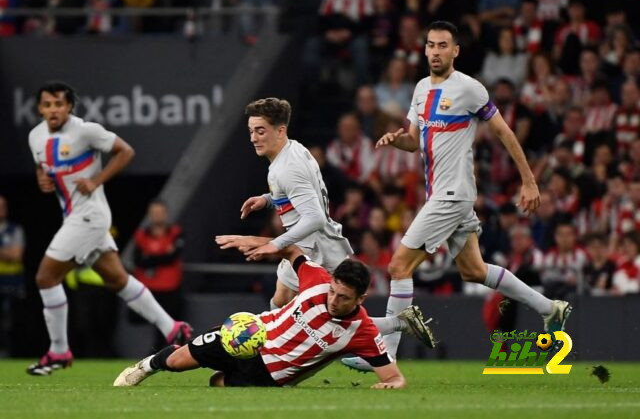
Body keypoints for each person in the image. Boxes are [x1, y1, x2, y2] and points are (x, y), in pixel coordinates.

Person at [342, 21, 571, 372]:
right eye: (430, 45)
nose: (435, 51)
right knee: (474, 270)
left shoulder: (469, 89)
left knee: (398, 266)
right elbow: (412, 141)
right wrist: (395, 139)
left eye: (442, 45)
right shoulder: (420, 89)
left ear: (455, 50)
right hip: (445, 194)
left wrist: (529, 181)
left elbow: (505, 133)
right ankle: (548, 308)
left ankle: (383, 357)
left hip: (452, 195)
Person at [26, 81, 192, 375]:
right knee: (118, 280)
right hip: (75, 216)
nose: (53, 110)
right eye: (48, 105)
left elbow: (125, 151)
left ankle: (59, 351)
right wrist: (43, 179)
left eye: (59, 104)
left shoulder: (85, 130)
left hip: (89, 216)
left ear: (69, 107)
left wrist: (96, 180)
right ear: (40, 108)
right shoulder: (35, 137)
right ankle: (173, 328)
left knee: (45, 277)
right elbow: (44, 167)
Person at [114, 243, 432, 389]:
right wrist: (265, 246)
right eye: (333, 291)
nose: (333, 300)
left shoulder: (362, 331)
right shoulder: (317, 279)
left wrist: (394, 384)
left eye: (343, 298)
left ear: (361, 298)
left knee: (218, 383)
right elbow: (294, 251)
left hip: (268, 374)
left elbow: (393, 376)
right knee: (178, 361)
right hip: (251, 331)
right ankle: (143, 368)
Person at [227, 98, 353, 309]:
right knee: (279, 305)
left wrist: (275, 244)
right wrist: (267, 199)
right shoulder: (293, 149)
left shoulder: (287, 168)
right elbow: (302, 192)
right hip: (306, 245)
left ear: (280, 131)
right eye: (251, 131)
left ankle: (397, 323)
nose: (253, 138)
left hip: (315, 250)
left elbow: (315, 218)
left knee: (328, 322)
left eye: (260, 131)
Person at [133, 198, 186, 349]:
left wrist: (150, 257)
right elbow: (138, 261)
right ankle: (157, 353)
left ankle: (176, 353)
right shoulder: (141, 234)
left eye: (159, 213)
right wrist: (163, 255)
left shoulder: (176, 232)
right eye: (153, 213)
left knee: (173, 321)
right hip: (149, 286)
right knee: (155, 322)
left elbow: (172, 257)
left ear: (166, 214)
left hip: (171, 286)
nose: (156, 216)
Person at [0, 195, 25, 355]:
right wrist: (5, 252)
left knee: (8, 323)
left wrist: (9, 253)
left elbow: (16, 255)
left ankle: (7, 355)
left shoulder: (14, 229)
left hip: (10, 283)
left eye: (3, 206)